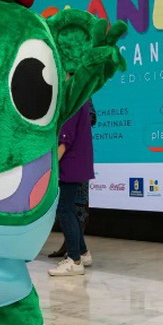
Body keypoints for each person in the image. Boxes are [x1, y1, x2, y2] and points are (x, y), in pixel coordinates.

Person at [49, 99, 95, 276]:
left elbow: (64, 139)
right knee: (70, 209)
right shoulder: (80, 99)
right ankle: (82, 252)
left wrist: (51, 166)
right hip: (76, 162)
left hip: (69, 164)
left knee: (64, 209)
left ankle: (74, 260)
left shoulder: (71, 100)